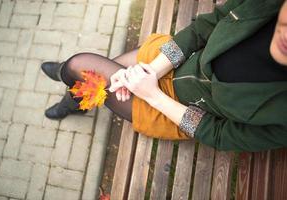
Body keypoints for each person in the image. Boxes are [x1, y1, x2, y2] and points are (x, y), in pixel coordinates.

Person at [41, 0, 287, 152]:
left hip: (174, 109)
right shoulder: (270, 3)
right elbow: (204, 27)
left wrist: (152, 94)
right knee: (91, 74)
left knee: (78, 66)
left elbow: (219, 134)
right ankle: (75, 96)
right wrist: (150, 72)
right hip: (171, 59)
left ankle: (71, 93)